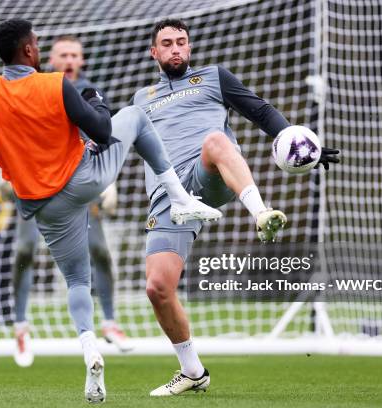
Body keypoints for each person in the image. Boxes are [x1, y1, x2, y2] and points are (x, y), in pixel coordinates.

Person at [0, 18, 222, 403]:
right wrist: (96, 102)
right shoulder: (55, 84)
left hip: (42, 206)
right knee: (134, 117)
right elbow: (103, 132)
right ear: (29, 51)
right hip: (82, 180)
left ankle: (90, 348)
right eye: (36, 43)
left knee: (76, 280)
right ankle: (181, 198)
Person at [131, 19, 340, 396]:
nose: (175, 48)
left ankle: (261, 213)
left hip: (207, 173)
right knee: (157, 287)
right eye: (167, 43)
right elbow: (116, 141)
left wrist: (299, 143)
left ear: (189, 49)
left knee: (214, 140)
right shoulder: (140, 100)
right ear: (154, 52)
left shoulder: (214, 78)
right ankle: (193, 371)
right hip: (169, 195)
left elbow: (260, 112)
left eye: (181, 42)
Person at [10, 36, 132, 368]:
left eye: (74, 55)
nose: (69, 59)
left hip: (78, 183)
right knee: (24, 251)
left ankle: (109, 321)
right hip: (36, 186)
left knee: (100, 252)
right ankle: (21, 326)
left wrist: (111, 183)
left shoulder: (90, 92)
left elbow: (103, 136)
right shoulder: (35, 89)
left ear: (82, 61)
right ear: (50, 58)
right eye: (63, 54)